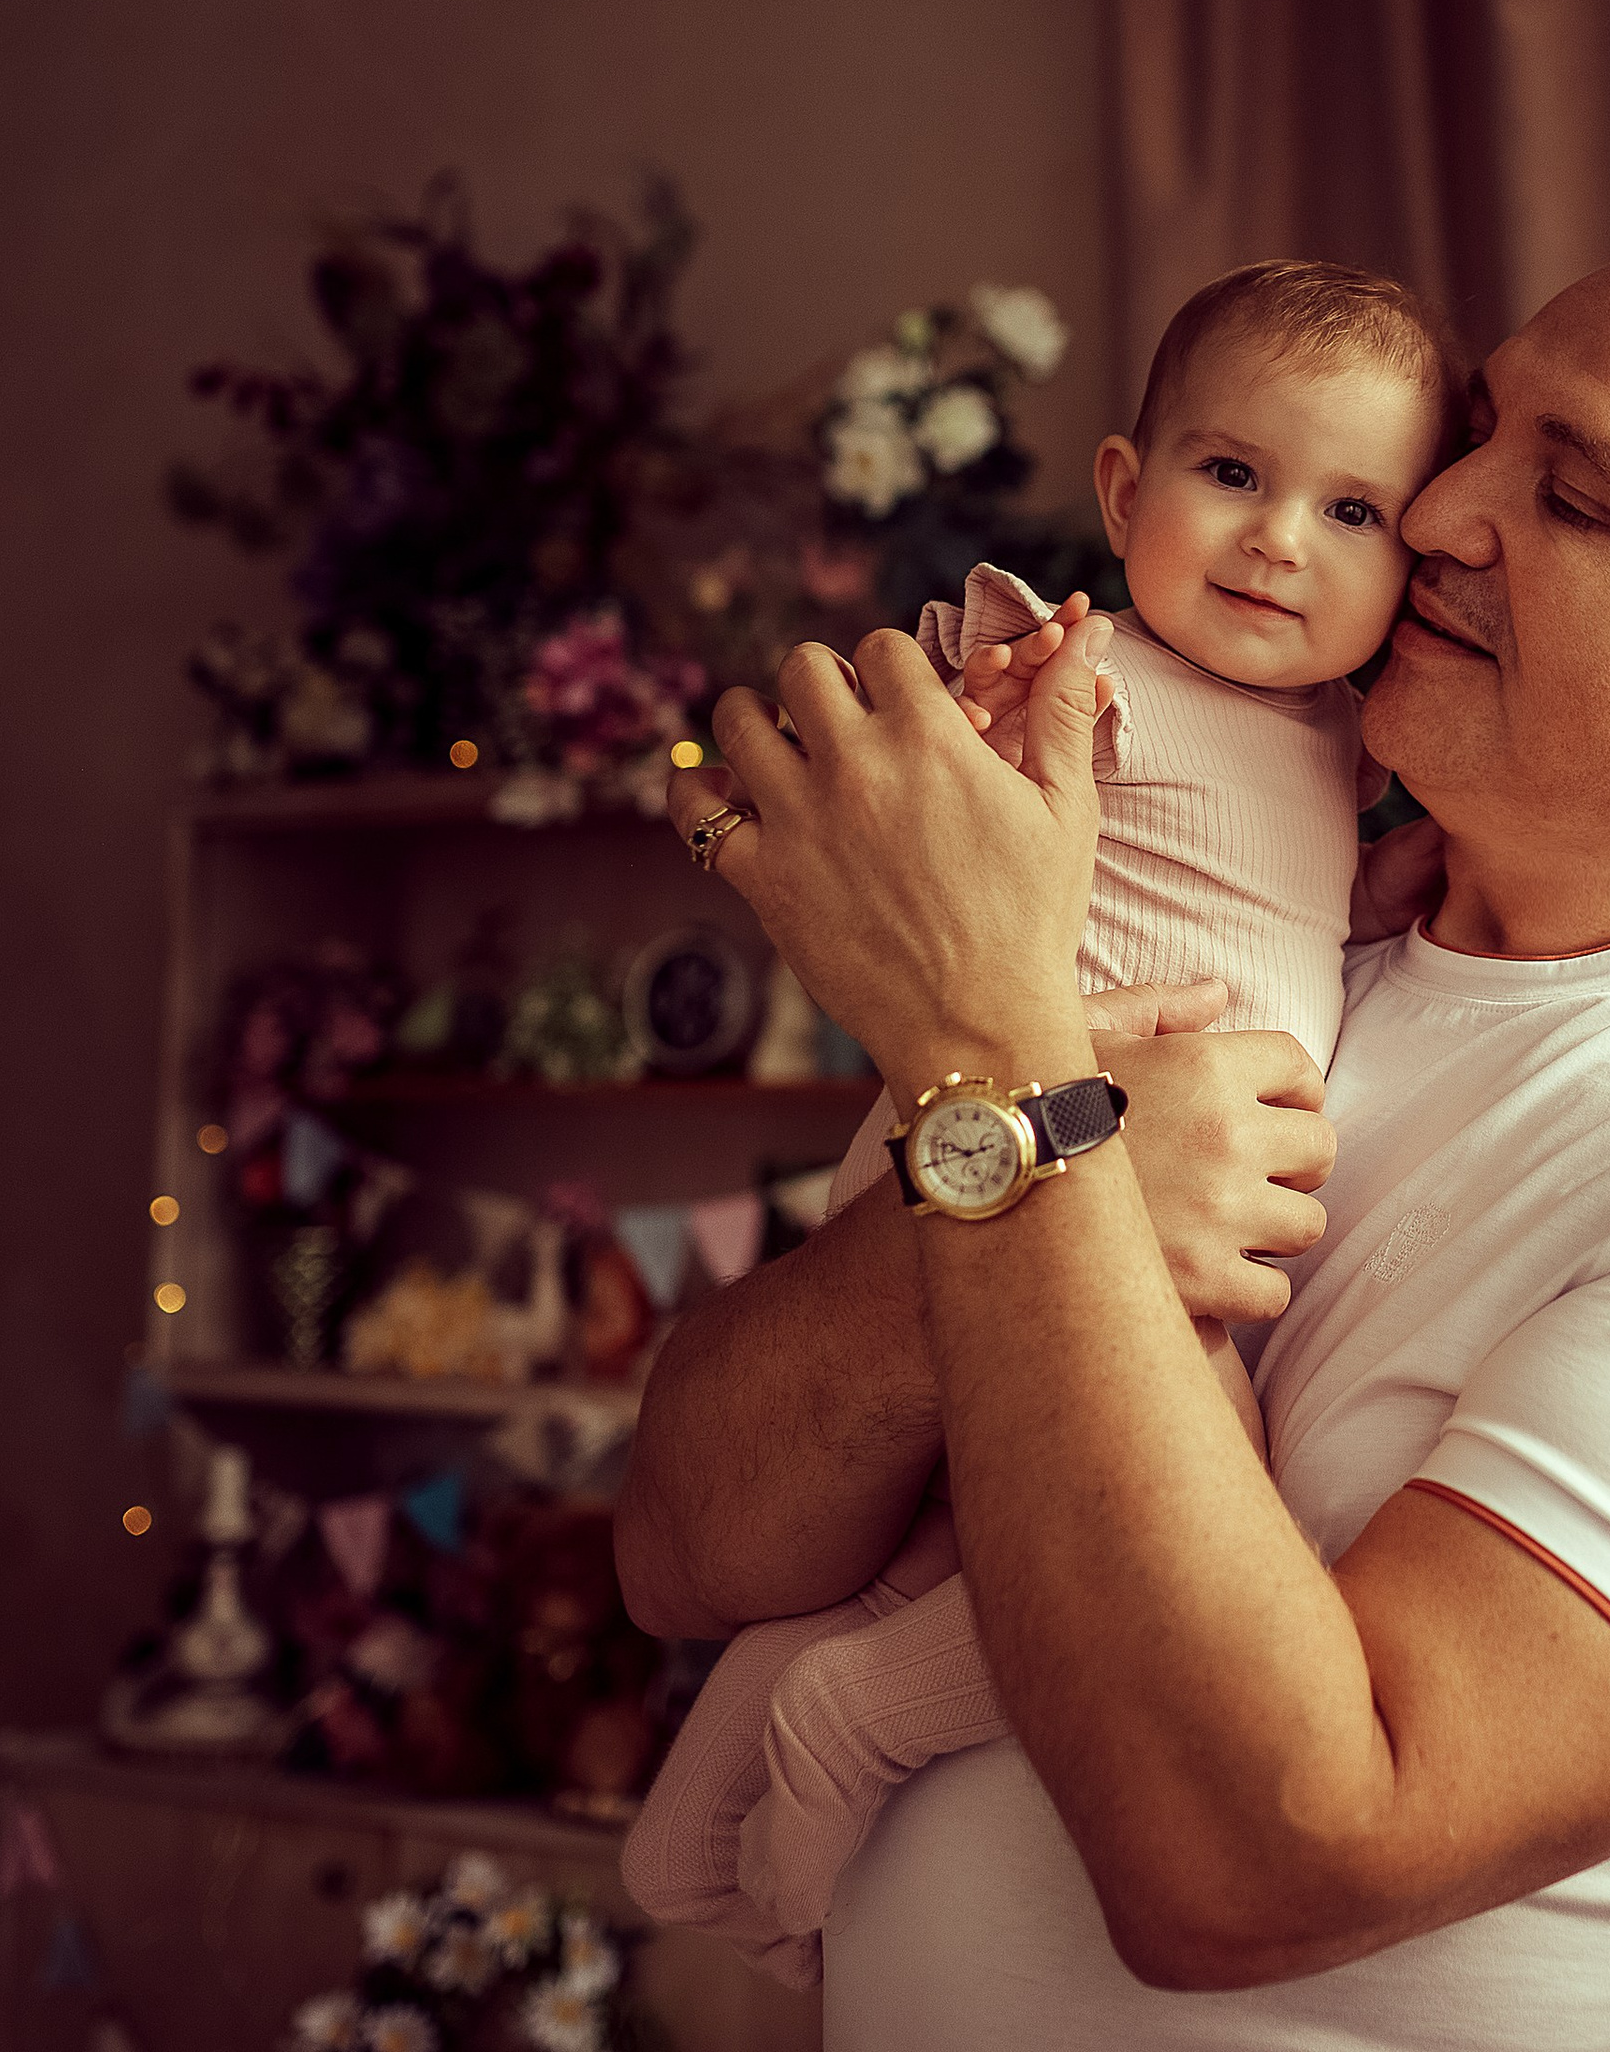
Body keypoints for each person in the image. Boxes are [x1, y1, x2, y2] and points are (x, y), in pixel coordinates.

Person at [617, 174, 1610, 2051]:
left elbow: (1255, 1864)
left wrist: (1003, 1071)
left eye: (1573, 496)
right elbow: (684, 1549)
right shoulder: (1261, 925)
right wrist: (1019, 1163)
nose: (1436, 514)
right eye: (1478, 438)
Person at [622, 261, 1460, 1982]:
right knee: (1192, 1537)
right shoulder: (1095, 669)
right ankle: (855, 1720)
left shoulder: (1340, 739)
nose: (1278, 539)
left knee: (944, 1541)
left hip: (1120, 1168)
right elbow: (951, 821)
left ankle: (698, 1846)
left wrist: (1388, 896)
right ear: (1124, 492)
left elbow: (1271, 902)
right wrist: (993, 714)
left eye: (1352, 509)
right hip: (1018, 1145)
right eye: (1233, 474)